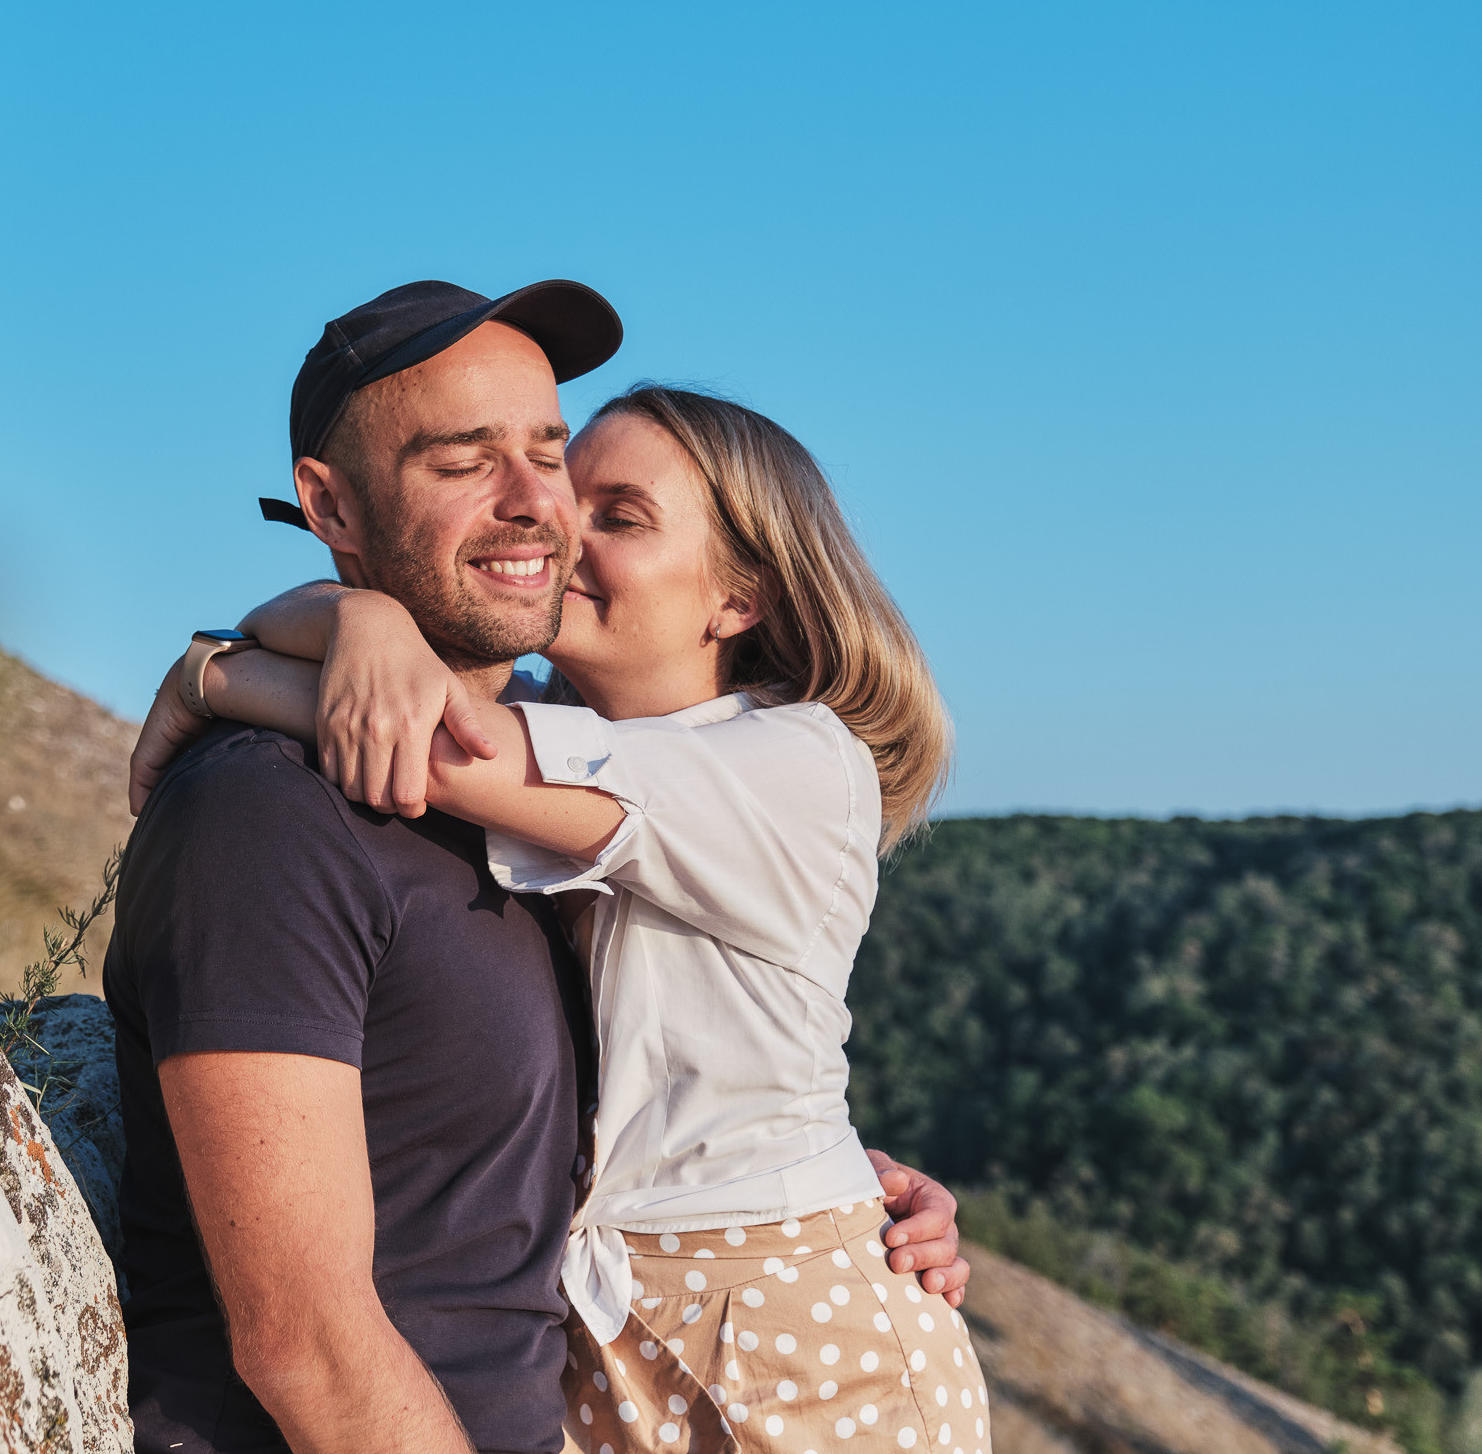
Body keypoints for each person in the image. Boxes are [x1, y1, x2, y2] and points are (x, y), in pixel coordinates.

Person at [104, 280, 973, 1454]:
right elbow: (304, 1335)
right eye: (467, 460)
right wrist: (325, 627)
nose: (545, 514)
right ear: (330, 503)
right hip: (611, 1347)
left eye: (558, 465)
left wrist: (223, 668)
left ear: (740, 596)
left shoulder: (783, 760)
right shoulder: (285, 812)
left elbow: (450, 753)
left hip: (777, 1339)